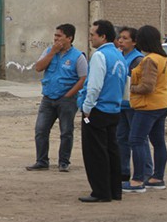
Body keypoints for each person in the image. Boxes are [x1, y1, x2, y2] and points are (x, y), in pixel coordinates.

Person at [77, 19, 127, 203]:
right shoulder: (119, 55)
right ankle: (115, 190)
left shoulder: (100, 56)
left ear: (103, 36)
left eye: (92, 35)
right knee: (112, 150)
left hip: (96, 112)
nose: (90, 38)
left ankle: (100, 191)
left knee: (95, 152)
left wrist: (87, 108)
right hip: (113, 110)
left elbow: (95, 86)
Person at [26, 24, 87, 173]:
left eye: (59, 36)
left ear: (69, 38)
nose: (55, 38)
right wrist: (52, 52)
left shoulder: (78, 56)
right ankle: (41, 161)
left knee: (66, 131)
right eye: (55, 36)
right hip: (48, 98)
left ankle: (64, 162)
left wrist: (69, 94)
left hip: (67, 100)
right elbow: (39, 67)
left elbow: (83, 78)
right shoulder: (48, 51)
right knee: (41, 130)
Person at [123, 25, 167, 194]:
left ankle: (137, 181)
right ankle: (157, 178)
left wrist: (131, 88)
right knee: (158, 142)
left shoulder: (150, 60)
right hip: (162, 103)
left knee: (136, 140)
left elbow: (148, 86)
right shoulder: (163, 58)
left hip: (148, 106)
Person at [116, 27, 152, 182]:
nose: (121, 41)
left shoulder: (137, 59)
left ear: (134, 42)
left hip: (134, 106)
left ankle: (146, 172)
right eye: (120, 38)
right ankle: (123, 171)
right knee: (121, 138)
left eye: (125, 38)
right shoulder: (120, 56)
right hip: (121, 105)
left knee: (138, 139)